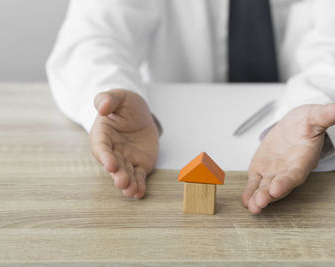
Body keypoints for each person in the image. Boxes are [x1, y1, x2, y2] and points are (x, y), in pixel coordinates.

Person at [46, 0, 335, 214]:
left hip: (290, 124)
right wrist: (110, 92)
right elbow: (92, 37)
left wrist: (315, 101)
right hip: (166, 127)